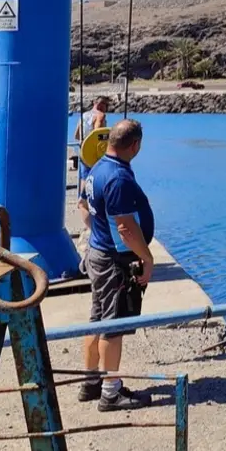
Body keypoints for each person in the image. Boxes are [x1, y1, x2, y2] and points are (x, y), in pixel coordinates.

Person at [79, 118, 155, 411]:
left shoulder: (97, 169)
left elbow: (85, 209)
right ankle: (110, 392)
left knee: (97, 318)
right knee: (114, 325)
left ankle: (91, 381)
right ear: (134, 145)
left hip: (98, 254)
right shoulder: (118, 179)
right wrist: (146, 259)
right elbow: (124, 227)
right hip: (114, 261)